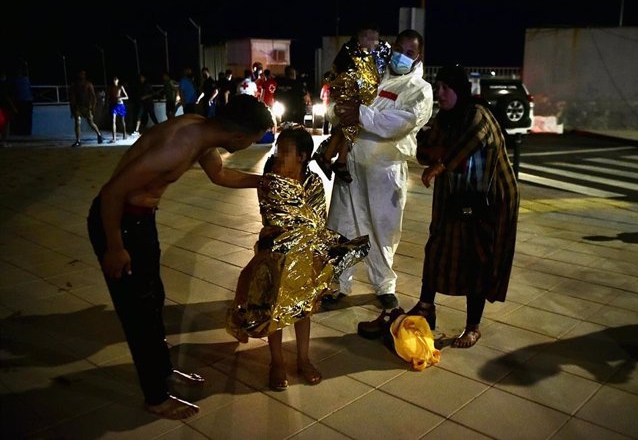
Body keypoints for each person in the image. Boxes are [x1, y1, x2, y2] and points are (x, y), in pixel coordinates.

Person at [86, 94, 274, 420]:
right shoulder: (179, 146)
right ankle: (156, 397)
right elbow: (113, 192)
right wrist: (115, 247)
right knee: (139, 313)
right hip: (118, 222)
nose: (255, 145)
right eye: (256, 140)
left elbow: (220, 175)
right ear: (240, 138)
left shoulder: (202, 132)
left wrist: (266, 182)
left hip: (140, 221)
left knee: (153, 299)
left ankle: (163, 372)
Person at [226, 126, 369, 391]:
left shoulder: (313, 183)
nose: (280, 156)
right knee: (275, 310)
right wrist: (289, 230)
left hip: (303, 255)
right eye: (279, 150)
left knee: (303, 311)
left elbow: (315, 222)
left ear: (303, 156)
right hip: (275, 256)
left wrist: (300, 233)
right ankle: (276, 362)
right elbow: (273, 218)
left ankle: (303, 359)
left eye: (286, 152)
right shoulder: (271, 179)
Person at [405, 63, 520, 348]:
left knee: (477, 257)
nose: (440, 93)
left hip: (487, 200)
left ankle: (473, 326)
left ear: (459, 89)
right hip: (454, 198)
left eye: (446, 88)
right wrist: (437, 157)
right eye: (438, 87)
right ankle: (425, 307)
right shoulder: (444, 118)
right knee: (437, 248)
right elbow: (422, 147)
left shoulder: (478, 114)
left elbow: (469, 142)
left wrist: (441, 163)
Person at [322, 29, 434, 311]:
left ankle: (384, 284)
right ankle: (340, 283)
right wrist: (343, 111)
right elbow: (340, 106)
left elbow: (400, 122)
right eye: (399, 48)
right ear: (392, 47)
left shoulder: (419, 90)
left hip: (385, 170)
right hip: (351, 165)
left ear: (417, 56)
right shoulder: (371, 73)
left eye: (410, 53)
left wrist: (360, 113)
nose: (402, 56)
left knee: (383, 229)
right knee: (342, 226)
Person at [313, 23, 390, 183]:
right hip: (348, 95)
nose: (374, 43)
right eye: (370, 39)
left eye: (376, 39)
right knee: (349, 126)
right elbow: (340, 74)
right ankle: (337, 161)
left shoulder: (373, 53)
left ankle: (329, 157)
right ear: (360, 38)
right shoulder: (351, 52)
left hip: (358, 97)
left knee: (346, 127)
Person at [69, 69, 103, 147]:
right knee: (77, 122)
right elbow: (72, 98)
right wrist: (72, 109)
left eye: (83, 74)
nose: (82, 75)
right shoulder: (75, 85)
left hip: (87, 107)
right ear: (78, 75)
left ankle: (99, 134)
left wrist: (93, 107)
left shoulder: (88, 84)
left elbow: (94, 97)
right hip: (78, 107)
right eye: (80, 74)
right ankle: (78, 140)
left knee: (91, 123)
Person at [10, 66, 33, 136]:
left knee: (26, 118)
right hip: (21, 101)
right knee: (22, 118)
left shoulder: (25, 79)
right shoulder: (16, 80)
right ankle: (22, 132)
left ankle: (27, 132)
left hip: (26, 101)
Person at [108, 76, 129, 142]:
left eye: (116, 80)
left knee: (122, 120)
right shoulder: (110, 87)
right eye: (114, 80)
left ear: (118, 80)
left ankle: (124, 134)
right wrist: (106, 105)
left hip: (120, 104)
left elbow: (127, 97)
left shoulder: (120, 87)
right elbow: (107, 97)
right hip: (113, 105)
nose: (114, 81)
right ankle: (114, 138)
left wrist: (120, 98)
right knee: (113, 120)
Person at [0, 70, 16, 147]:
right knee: (5, 124)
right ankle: (3, 141)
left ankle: (3, 141)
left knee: (4, 124)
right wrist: (13, 107)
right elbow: (7, 97)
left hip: (4, 107)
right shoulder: (4, 85)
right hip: (4, 107)